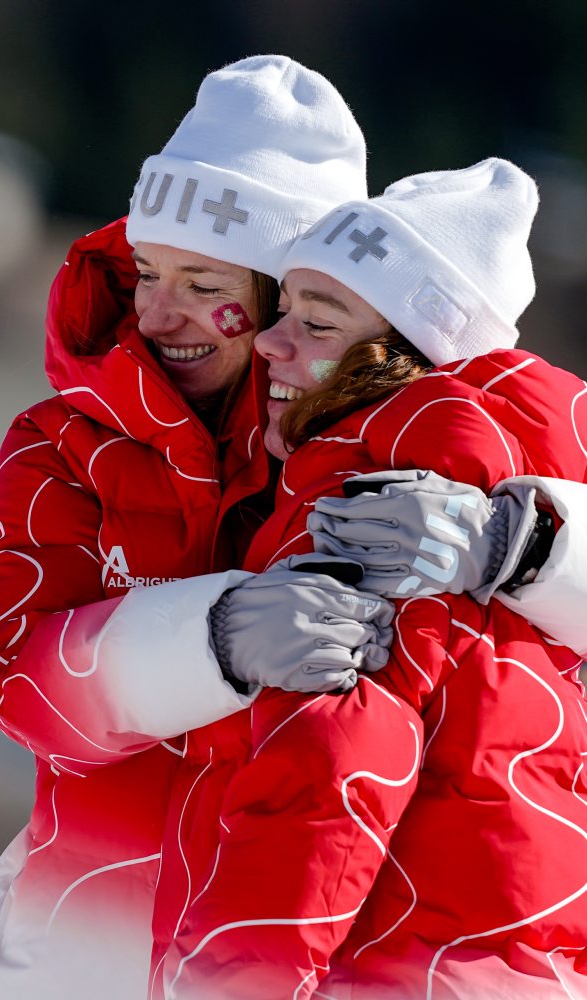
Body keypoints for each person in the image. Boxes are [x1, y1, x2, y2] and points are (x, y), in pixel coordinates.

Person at [0, 55, 381, 1000]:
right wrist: (212, 641)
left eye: (201, 279)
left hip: (327, 957)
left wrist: (532, 546)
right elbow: (1, 670)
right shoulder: (62, 442)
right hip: (84, 945)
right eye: (148, 271)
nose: (158, 311)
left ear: (288, 292)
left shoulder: (398, 439)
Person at [150, 160, 587, 999]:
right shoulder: (523, 482)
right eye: (281, 311)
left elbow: (332, 769)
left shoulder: (376, 493)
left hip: (390, 963)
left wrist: (235, 978)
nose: (271, 344)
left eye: (318, 324)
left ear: (400, 357)